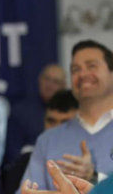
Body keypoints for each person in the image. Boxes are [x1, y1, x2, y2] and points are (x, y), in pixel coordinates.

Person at [18, 40, 113, 193]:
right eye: (75, 69)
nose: (82, 74)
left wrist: (94, 177)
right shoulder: (47, 140)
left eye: (91, 66)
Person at [1, 89, 79, 194]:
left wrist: (92, 175)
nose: (56, 130)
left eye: (65, 124)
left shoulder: (95, 156)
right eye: (51, 121)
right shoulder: (28, 158)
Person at [6, 64, 67, 163]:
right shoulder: (20, 111)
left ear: (63, 86)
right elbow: (12, 154)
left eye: (56, 82)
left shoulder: (71, 114)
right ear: (39, 79)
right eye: (47, 79)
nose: (49, 85)